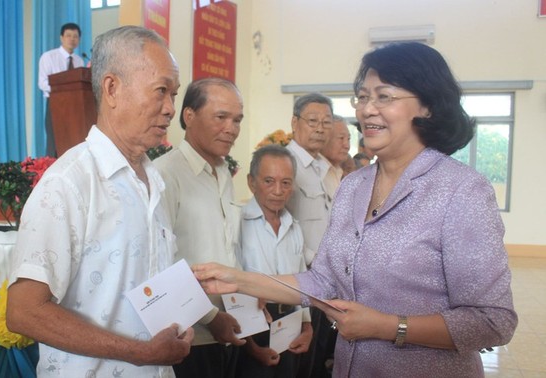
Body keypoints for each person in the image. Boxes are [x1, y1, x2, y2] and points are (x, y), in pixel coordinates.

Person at [193, 42, 517, 377]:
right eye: (362, 97)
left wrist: (388, 327)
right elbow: (323, 281)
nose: (367, 110)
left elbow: (492, 321)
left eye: (384, 97)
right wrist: (240, 280)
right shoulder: (353, 187)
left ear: (429, 107)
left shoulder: (461, 190)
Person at [7, 26, 193, 377]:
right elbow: (24, 311)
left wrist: (179, 321)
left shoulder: (155, 181)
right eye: (161, 91)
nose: (171, 109)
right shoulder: (69, 184)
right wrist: (140, 352)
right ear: (112, 89)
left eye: (175, 94)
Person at [154, 77, 245, 378]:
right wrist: (210, 316)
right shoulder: (165, 174)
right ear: (189, 115)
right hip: (190, 336)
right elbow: (161, 263)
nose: (231, 128)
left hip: (230, 327)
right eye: (221, 117)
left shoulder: (223, 173)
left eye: (237, 119)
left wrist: (249, 298)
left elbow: (228, 247)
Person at [235, 144, 312, 378]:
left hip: (289, 323)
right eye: (269, 181)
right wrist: (251, 346)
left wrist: (307, 327)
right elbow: (234, 291)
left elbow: (303, 282)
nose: (278, 190)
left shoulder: (294, 227)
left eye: (286, 182)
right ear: (251, 182)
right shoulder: (237, 224)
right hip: (252, 327)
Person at [284, 92, 335, 378]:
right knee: (297, 362)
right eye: (313, 121)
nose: (320, 128)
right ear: (295, 122)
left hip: (326, 282)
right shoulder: (285, 163)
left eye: (326, 122)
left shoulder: (325, 168)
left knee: (318, 359)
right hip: (299, 280)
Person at [38, 23, 84, 157]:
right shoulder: (48, 57)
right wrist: (64, 91)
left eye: (75, 36)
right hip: (55, 104)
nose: (72, 39)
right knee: (54, 144)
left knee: (74, 142)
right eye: (68, 35)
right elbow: (42, 83)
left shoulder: (79, 60)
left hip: (75, 107)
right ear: (61, 38)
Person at [320, 115, 351, 196]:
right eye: (341, 138)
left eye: (348, 139)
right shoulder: (315, 172)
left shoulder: (338, 172)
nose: (347, 145)